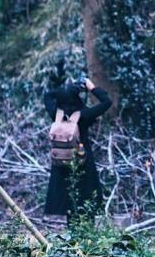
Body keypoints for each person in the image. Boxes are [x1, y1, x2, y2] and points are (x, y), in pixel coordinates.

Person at [44, 76, 112, 222]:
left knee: (69, 198)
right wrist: (91, 87)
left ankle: (72, 234)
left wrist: (65, 89)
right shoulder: (84, 115)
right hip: (82, 160)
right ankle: (87, 232)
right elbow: (107, 102)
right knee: (86, 195)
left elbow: (48, 95)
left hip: (60, 162)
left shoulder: (56, 114)